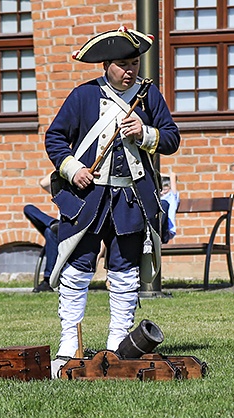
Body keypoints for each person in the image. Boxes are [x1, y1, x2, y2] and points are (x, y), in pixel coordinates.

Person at [44, 26, 180, 360]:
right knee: (77, 269)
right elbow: (55, 138)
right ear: (106, 65)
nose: (130, 70)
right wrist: (73, 170)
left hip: (130, 200)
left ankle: (118, 345)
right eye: (123, 64)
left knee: (124, 272)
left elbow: (172, 138)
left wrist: (146, 133)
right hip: (89, 201)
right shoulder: (83, 96)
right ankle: (70, 343)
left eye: (134, 63)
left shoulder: (149, 96)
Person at [23, 175, 60, 293]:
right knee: (28, 208)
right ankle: (52, 223)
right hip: (56, 228)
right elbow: (44, 183)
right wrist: (64, 166)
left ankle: (48, 280)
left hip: (70, 231)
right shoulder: (62, 192)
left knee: (50, 232)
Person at [160, 171, 179, 242]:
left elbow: (173, 175)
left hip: (166, 231)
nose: (162, 192)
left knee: (164, 204)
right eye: (160, 190)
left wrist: (158, 174)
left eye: (165, 190)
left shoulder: (172, 197)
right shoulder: (158, 197)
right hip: (157, 232)